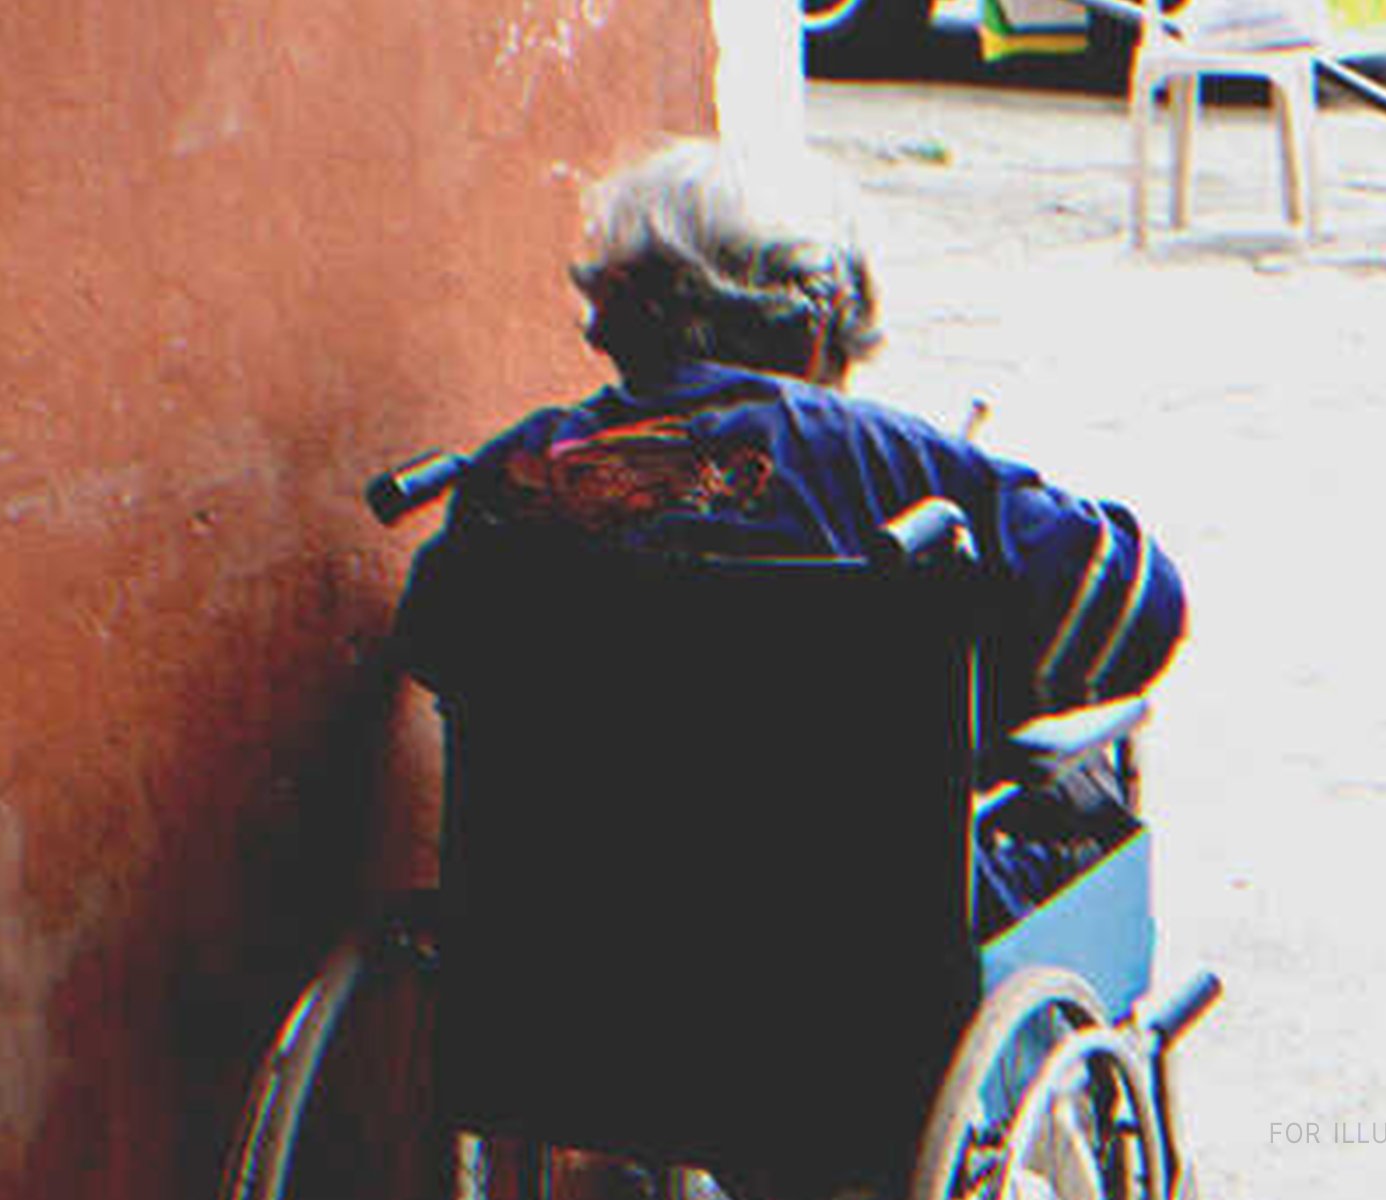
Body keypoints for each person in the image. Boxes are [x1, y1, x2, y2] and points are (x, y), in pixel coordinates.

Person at [395, 136, 1186, 941]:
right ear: (817, 327)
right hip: (856, 940)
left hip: (568, 937)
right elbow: (1134, 602)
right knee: (1079, 811)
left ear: (623, 316)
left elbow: (434, 640)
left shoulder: (515, 474)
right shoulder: (879, 457)